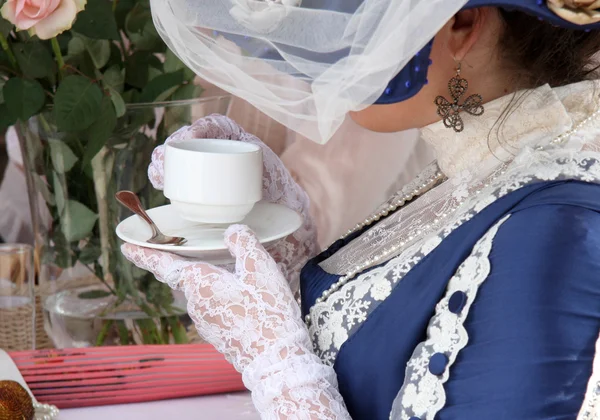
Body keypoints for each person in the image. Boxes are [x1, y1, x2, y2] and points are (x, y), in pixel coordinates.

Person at [122, 0, 600, 418]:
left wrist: (281, 371)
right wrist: (285, 252)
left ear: (462, 24)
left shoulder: (554, 233)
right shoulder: (492, 156)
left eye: (356, 17)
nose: (322, 49)